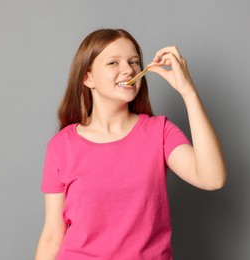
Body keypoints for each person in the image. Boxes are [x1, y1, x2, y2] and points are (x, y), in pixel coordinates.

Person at [35, 28, 226, 260]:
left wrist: (188, 92)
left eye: (134, 61)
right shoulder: (60, 146)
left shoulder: (160, 132)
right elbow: (53, 237)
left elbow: (212, 178)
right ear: (88, 78)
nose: (128, 69)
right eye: (113, 62)